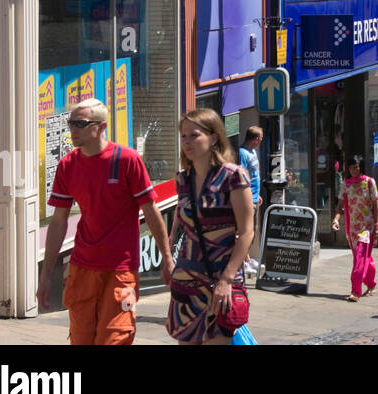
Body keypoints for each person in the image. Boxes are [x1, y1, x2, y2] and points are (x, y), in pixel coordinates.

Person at [38, 99, 170, 345]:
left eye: (80, 123)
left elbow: (151, 211)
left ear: (100, 127)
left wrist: (168, 259)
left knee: (116, 339)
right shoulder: (68, 165)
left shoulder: (127, 160)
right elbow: (58, 222)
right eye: (71, 123)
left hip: (121, 271)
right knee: (81, 340)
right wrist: (45, 276)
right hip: (82, 268)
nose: (72, 129)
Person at [165, 108, 256, 345]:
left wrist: (227, 279)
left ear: (214, 137)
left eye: (194, 135)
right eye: (183, 136)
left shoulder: (234, 177)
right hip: (186, 278)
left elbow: (247, 231)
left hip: (220, 279)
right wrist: (169, 257)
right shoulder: (183, 179)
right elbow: (182, 222)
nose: (187, 142)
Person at [332, 155, 378, 301]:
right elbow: (340, 206)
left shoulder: (369, 182)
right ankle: (371, 284)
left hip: (367, 227)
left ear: (361, 167)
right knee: (365, 258)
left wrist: (377, 226)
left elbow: (376, 205)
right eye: (351, 167)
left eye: (356, 167)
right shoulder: (346, 184)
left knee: (360, 258)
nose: (354, 170)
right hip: (352, 228)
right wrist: (335, 219)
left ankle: (355, 291)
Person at [239, 126, 263, 210]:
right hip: (248, 200)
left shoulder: (253, 151)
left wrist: (257, 195)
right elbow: (241, 177)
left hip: (254, 198)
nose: (261, 140)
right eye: (261, 138)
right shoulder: (242, 153)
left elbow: (253, 174)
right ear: (256, 139)